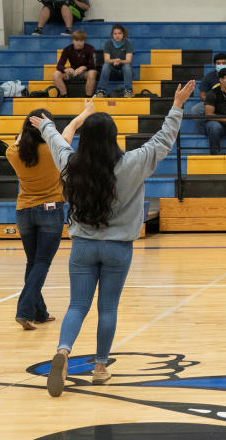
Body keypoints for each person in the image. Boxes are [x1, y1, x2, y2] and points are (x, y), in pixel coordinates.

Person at [38, 79, 195, 396]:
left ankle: (63, 351)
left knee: (77, 306)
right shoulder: (133, 163)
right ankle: (99, 368)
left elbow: (56, 142)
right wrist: (176, 106)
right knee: (107, 309)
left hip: (82, 245)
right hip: (118, 249)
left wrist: (45, 125)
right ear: (113, 138)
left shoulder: (72, 165)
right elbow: (164, 139)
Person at [8, 107, 82, 329]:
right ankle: (24, 311)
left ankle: (39, 312)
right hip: (50, 211)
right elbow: (69, 129)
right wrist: (85, 113)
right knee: (41, 263)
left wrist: (26, 129)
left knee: (33, 263)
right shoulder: (54, 150)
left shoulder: (12, 153)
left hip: (23, 212)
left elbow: (20, 140)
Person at [50, 30, 98, 98]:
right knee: (56, 74)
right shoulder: (67, 49)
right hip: (72, 72)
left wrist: (84, 67)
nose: (78, 43)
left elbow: (93, 65)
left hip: (85, 73)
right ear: (72, 40)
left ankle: (88, 97)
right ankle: (64, 96)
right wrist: (65, 69)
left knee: (92, 72)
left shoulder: (90, 48)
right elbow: (59, 65)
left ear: (84, 41)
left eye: (81, 41)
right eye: (76, 40)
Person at [97, 24, 135, 98]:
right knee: (106, 65)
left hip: (124, 70)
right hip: (112, 70)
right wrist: (114, 60)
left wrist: (119, 61)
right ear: (112, 35)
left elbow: (128, 60)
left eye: (119, 33)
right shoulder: (108, 44)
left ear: (123, 34)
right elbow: (106, 59)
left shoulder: (128, 44)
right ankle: (101, 91)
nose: (117, 35)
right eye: (115, 33)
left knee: (127, 66)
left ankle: (128, 91)